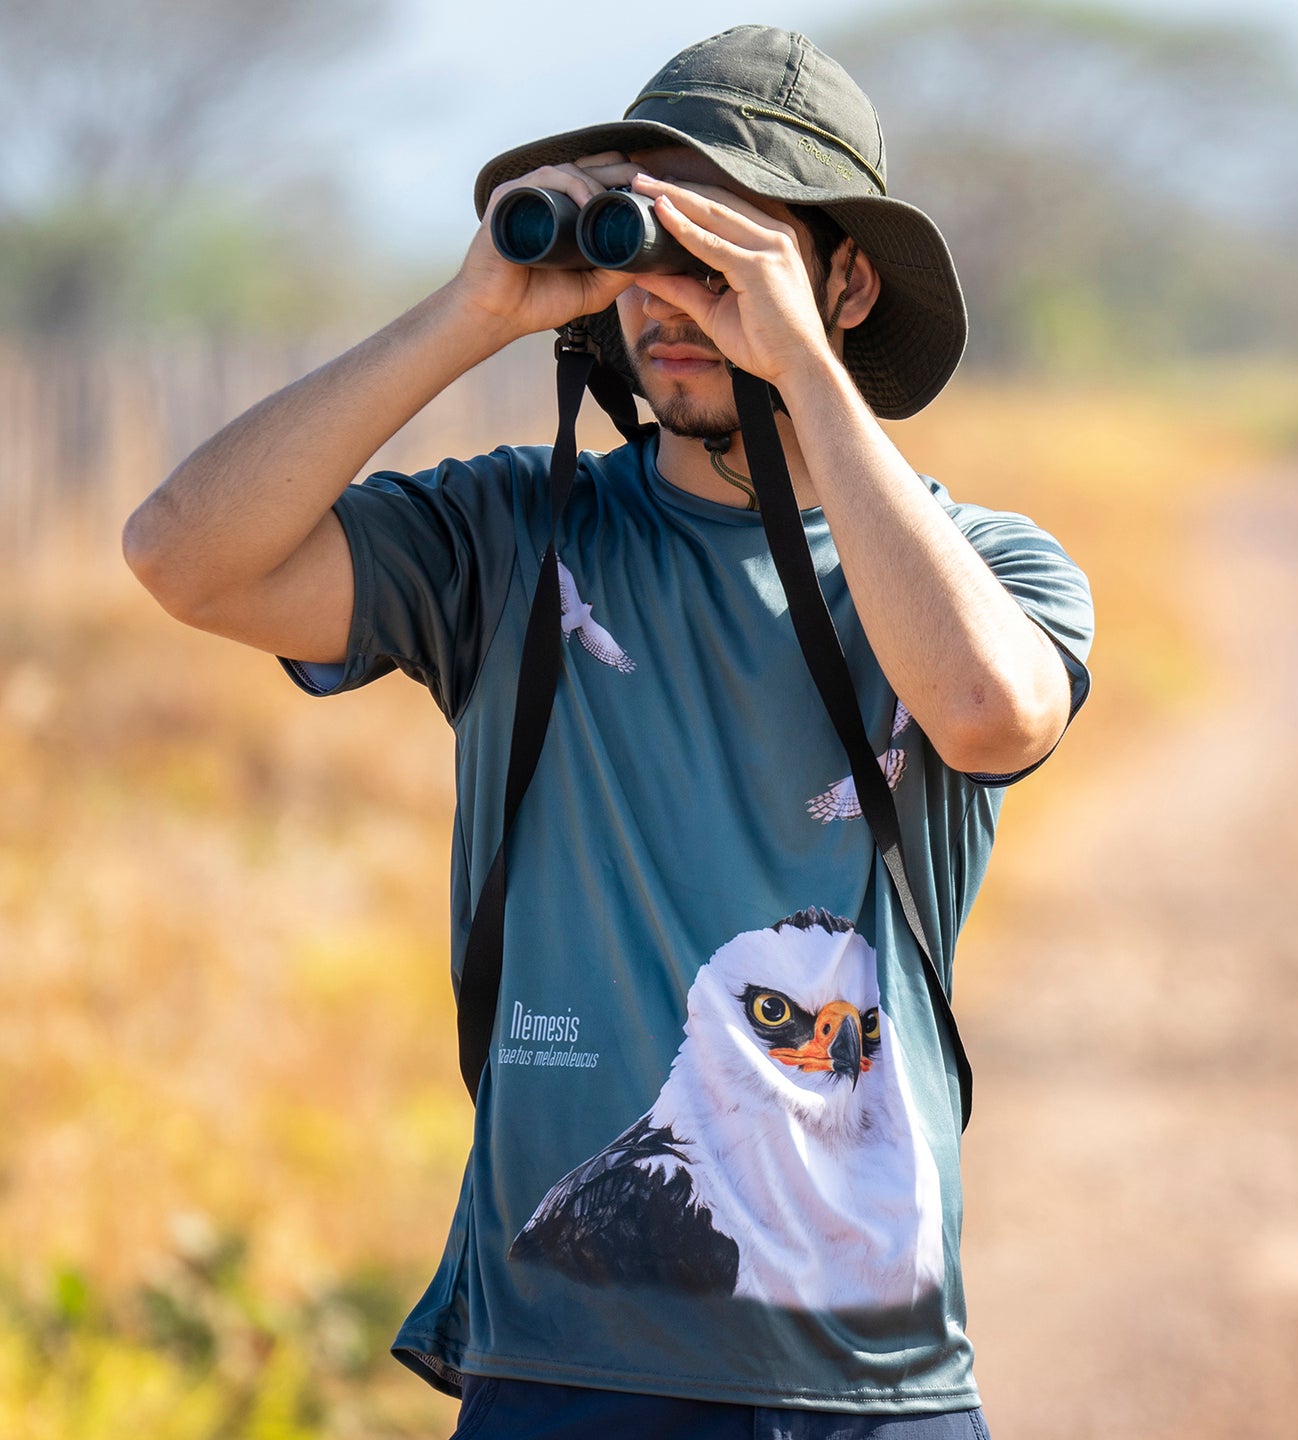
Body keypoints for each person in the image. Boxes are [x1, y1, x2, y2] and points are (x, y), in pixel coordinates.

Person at [123, 23, 1093, 1440]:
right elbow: (182, 559)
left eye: (731, 248)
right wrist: (472, 314)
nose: (674, 298)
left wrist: (805, 370)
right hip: (560, 1363)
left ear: (846, 275)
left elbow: (989, 715)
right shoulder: (518, 534)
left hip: (871, 1382)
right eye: (650, 244)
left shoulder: (986, 567)